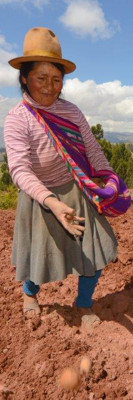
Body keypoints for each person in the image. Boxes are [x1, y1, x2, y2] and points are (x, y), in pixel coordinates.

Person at [4, 27, 117, 327]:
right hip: (41, 197)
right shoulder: (18, 118)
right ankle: (29, 294)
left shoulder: (71, 112)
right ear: (25, 77)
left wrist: (109, 179)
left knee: (96, 251)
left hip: (75, 191)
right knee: (38, 258)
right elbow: (19, 168)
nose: (50, 87)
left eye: (57, 79)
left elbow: (92, 150)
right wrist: (51, 202)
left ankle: (83, 304)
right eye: (41, 78)